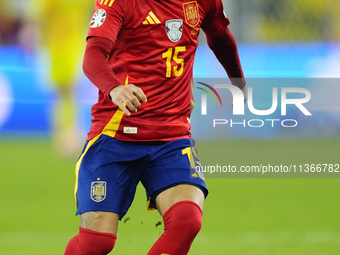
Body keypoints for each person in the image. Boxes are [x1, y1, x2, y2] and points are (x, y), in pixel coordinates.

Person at [64, 0, 246, 254]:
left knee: (187, 221)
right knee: (97, 242)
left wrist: (238, 81)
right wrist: (115, 88)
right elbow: (93, 54)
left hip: (172, 136)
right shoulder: (119, 3)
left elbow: (220, 36)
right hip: (116, 135)